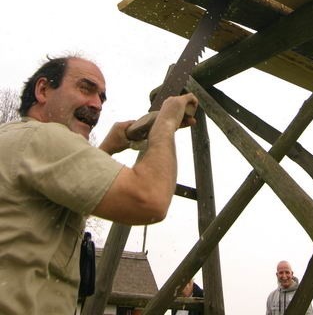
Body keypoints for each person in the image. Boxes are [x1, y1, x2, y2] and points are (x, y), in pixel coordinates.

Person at [0, 55, 198, 315]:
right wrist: (165, 126)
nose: (96, 104)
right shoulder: (44, 138)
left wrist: (108, 148)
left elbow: (63, 204)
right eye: (86, 88)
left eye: (101, 98)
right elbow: (150, 200)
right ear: (43, 90)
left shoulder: (15, 138)